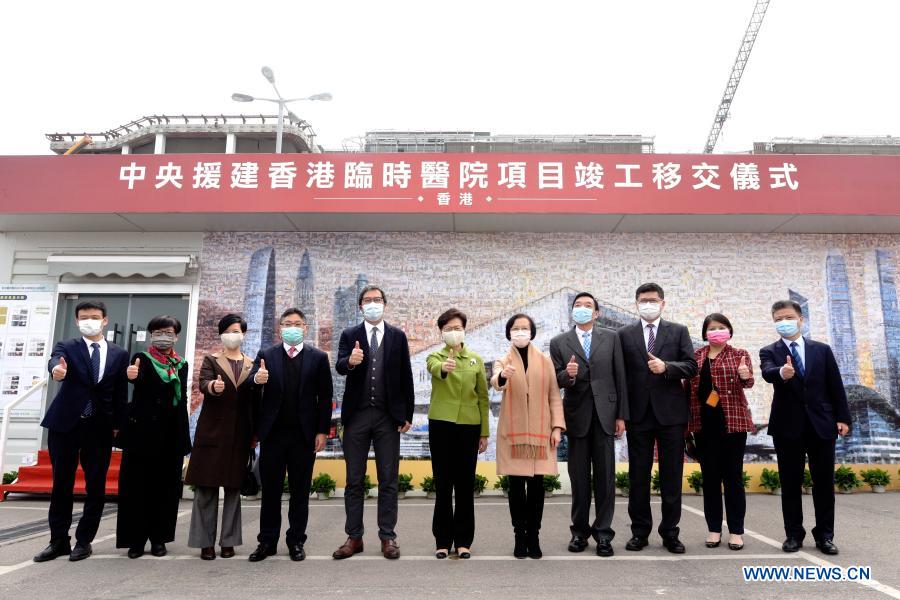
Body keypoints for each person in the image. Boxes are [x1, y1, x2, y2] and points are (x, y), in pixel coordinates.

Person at [34, 301, 129, 563]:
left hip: (99, 427)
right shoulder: (67, 346)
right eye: (84, 317)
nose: (89, 321)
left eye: (95, 317)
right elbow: (54, 361)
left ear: (105, 321)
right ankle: (58, 541)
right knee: (61, 484)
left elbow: (121, 393)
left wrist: (119, 428)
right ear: (77, 321)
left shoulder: (120, 353)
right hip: (65, 425)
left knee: (96, 486)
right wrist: (57, 370)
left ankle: (84, 541)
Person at [759, 300, 851, 555]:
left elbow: (835, 386)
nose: (783, 321)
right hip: (787, 426)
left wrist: (843, 418)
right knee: (790, 484)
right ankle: (793, 534)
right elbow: (768, 372)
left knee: (824, 484)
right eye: (778, 318)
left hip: (822, 425)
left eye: (788, 316)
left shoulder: (821, 350)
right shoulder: (769, 351)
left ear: (801, 319)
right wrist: (781, 372)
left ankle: (825, 535)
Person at [333, 285, 414, 560]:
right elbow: (340, 365)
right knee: (354, 480)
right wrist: (351, 361)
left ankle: (387, 537)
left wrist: (408, 414)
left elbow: (406, 376)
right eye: (367, 300)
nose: (372, 304)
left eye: (377, 300)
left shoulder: (397, 336)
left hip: (387, 417)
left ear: (384, 304)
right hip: (356, 416)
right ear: (360, 307)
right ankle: (354, 537)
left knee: (388, 479)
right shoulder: (349, 335)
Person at [247, 308, 333, 562]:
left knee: (300, 492)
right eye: (287, 323)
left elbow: (325, 397)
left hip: (304, 436)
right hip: (273, 435)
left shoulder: (318, 357)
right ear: (280, 328)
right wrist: (257, 379)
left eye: (297, 323)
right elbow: (251, 384)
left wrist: (321, 431)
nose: (292, 327)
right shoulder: (266, 355)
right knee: (270, 491)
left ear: (305, 328)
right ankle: (267, 541)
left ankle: (296, 541)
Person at [617, 283, 697, 554]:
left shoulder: (678, 331)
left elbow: (691, 366)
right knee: (638, 476)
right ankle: (639, 532)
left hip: (671, 415)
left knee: (671, 476)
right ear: (636, 303)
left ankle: (670, 533)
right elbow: (621, 375)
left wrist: (667, 367)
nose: (647, 304)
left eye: (652, 300)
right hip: (638, 415)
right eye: (642, 300)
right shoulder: (624, 334)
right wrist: (621, 414)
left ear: (662, 303)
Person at [549, 292, 628, 557]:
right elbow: (557, 380)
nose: (582, 309)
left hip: (606, 415)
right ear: (572, 312)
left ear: (596, 313)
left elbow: (620, 376)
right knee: (579, 478)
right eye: (577, 305)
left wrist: (621, 416)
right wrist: (567, 376)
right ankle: (579, 533)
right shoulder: (559, 342)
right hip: (577, 416)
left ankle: (603, 535)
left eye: (588, 306)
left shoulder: (612, 338)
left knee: (605, 479)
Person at [116, 315, 191, 558]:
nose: (163, 336)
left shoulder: (181, 364)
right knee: (137, 488)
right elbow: (134, 382)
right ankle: (135, 540)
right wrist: (130, 376)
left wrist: (184, 435)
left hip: (171, 434)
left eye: (168, 332)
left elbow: (182, 400)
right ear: (150, 335)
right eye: (158, 332)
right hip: (142, 433)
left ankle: (160, 539)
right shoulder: (141, 359)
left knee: (166, 489)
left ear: (176, 336)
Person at [492, 313, 565, 559]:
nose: (520, 332)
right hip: (513, 437)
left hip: (540, 434)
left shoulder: (545, 361)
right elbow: (496, 380)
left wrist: (557, 427)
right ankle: (519, 537)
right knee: (515, 488)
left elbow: (554, 395)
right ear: (509, 333)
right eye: (516, 328)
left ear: (532, 332)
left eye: (525, 328)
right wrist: (504, 376)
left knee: (535, 489)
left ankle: (533, 536)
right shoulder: (503, 360)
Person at [185, 314, 256, 560]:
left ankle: (229, 541)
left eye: (237, 330)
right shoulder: (211, 360)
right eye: (228, 330)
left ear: (243, 334)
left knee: (234, 490)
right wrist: (211, 388)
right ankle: (205, 543)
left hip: (240, 434)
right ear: (221, 334)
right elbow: (202, 382)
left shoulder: (252, 364)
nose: (233, 334)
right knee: (206, 489)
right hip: (212, 433)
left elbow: (255, 398)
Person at [686, 313, 754, 551]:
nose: (717, 331)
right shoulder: (696, 357)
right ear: (705, 333)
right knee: (711, 480)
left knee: (733, 479)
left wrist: (745, 376)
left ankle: (736, 531)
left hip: (732, 425)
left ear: (729, 331)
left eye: (722, 327)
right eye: (712, 328)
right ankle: (714, 529)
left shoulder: (739, 354)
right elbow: (688, 391)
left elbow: (748, 382)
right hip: (704, 427)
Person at [426, 308, 489, 559]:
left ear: (465, 330)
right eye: (448, 329)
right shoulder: (434, 356)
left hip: (469, 427)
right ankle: (442, 540)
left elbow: (483, 398)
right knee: (443, 484)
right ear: (441, 332)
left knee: (464, 485)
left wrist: (483, 433)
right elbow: (436, 368)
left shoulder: (475, 360)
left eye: (457, 327)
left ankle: (464, 541)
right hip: (441, 425)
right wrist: (445, 367)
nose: (453, 332)